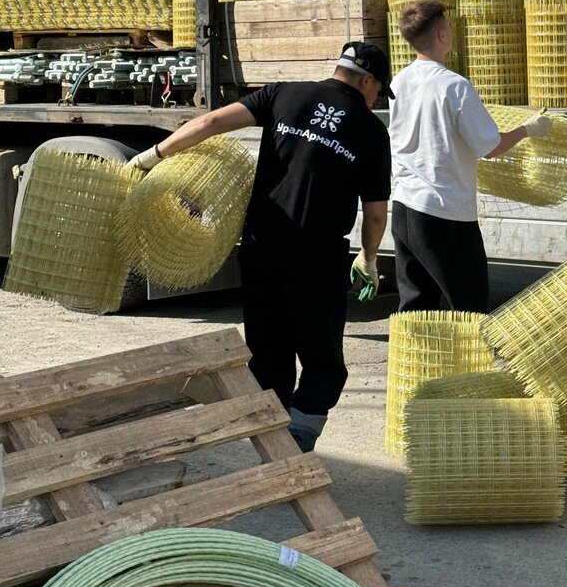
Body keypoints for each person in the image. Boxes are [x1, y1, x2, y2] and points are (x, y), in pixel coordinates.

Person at [129, 41, 393, 452]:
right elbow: (376, 214)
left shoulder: (283, 93)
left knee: (268, 352)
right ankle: (299, 436)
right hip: (316, 257)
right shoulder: (371, 130)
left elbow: (212, 122)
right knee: (322, 358)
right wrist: (369, 257)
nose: (376, 99)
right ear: (367, 80)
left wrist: (152, 155)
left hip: (262, 246)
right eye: (379, 90)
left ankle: (272, 438)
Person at [388, 0, 550, 313]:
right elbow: (490, 147)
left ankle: (410, 348)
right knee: (469, 307)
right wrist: (527, 130)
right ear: (441, 35)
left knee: (416, 309)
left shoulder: (400, 82)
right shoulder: (454, 86)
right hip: (444, 212)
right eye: (448, 27)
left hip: (405, 206)